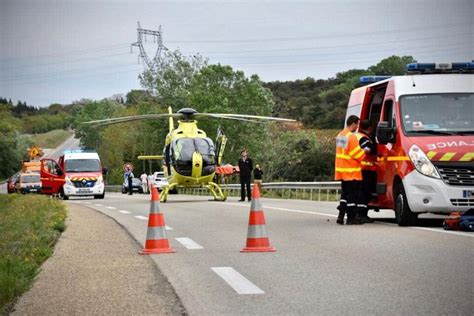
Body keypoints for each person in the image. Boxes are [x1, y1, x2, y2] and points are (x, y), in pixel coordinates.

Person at [335, 115, 366, 225]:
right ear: (353, 124)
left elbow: (344, 152)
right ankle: (351, 218)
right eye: (357, 124)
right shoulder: (351, 137)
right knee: (352, 197)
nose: (358, 127)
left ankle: (341, 215)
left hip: (342, 171)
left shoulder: (340, 135)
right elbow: (356, 154)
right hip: (351, 171)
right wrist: (365, 152)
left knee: (345, 195)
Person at [357, 120, 377, 223]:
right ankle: (361, 214)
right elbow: (369, 150)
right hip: (366, 169)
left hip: (364, 169)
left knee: (363, 192)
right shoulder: (364, 138)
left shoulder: (359, 136)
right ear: (369, 128)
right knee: (364, 193)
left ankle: (360, 213)